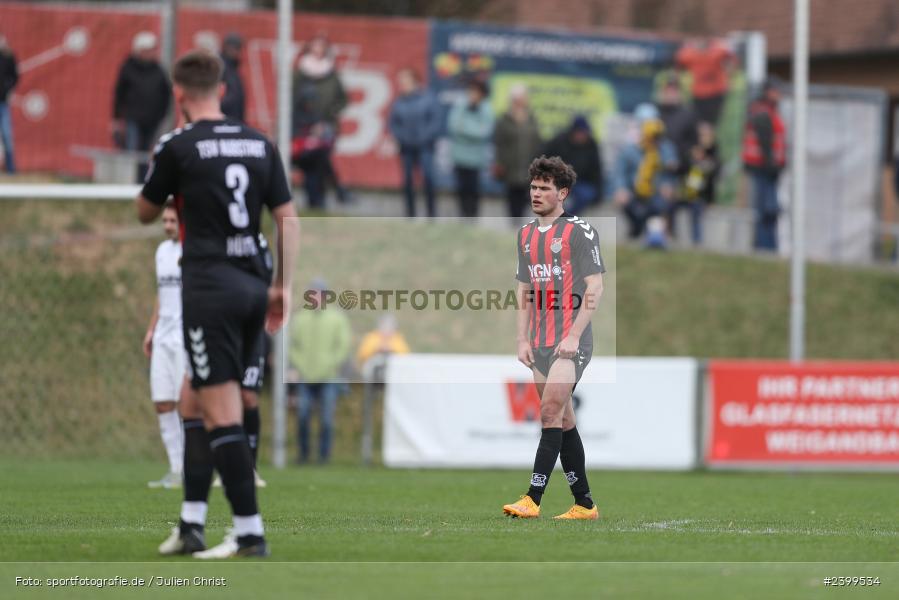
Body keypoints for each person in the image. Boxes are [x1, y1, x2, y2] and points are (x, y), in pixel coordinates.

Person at [136, 49, 298, 558]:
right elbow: (287, 220)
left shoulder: (177, 145)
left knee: (220, 408)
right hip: (254, 283)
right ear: (223, 90)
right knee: (192, 398)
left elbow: (145, 210)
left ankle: (249, 531)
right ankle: (191, 524)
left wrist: (162, 171)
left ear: (179, 95)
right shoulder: (259, 141)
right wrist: (281, 286)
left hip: (209, 288)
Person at [502, 155, 605, 520]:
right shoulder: (526, 235)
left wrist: (575, 335)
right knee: (563, 421)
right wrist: (521, 339)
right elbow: (523, 291)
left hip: (570, 342)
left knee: (548, 412)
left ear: (562, 193)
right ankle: (584, 504)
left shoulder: (580, 231)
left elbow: (596, 286)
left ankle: (532, 498)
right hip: (540, 342)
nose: (536, 193)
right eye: (533, 187)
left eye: (545, 188)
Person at [143, 202, 185, 489]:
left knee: (189, 405)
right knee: (162, 402)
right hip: (162, 338)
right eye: (165, 220)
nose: (167, 225)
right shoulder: (162, 252)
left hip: (185, 339)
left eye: (172, 220)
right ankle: (176, 468)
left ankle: (196, 468)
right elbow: (162, 292)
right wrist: (151, 328)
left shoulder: (193, 251)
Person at [288, 279, 352, 464]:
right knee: (303, 416)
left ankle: (324, 457)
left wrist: (330, 364)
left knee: (326, 419)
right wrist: (300, 366)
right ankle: (304, 454)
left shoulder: (337, 318)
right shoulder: (300, 318)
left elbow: (343, 346)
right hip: (304, 377)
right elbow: (293, 346)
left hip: (329, 377)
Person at [293, 36, 350, 205]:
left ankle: (321, 199)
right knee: (310, 162)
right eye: (315, 46)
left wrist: (330, 114)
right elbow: (292, 100)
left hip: (326, 126)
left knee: (322, 160)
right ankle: (334, 192)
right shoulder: (299, 74)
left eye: (321, 47)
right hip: (303, 127)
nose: (318, 50)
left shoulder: (332, 74)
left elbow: (343, 99)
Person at [113, 32, 171, 181]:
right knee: (132, 150)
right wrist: (117, 119)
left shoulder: (158, 70)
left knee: (146, 153)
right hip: (133, 119)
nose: (151, 53)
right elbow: (119, 94)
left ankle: (141, 182)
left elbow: (166, 94)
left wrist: (161, 116)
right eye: (148, 50)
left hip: (152, 120)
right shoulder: (128, 67)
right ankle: (127, 181)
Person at [613, 117, 677, 246]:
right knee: (628, 204)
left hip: (655, 192)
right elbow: (619, 172)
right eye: (653, 137)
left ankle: (653, 234)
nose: (656, 140)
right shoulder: (630, 151)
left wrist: (668, 184)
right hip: (634, 191)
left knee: (660, 205)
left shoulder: (666, 150)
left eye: (658, 137)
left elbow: (671, 174)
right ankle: (636, 230)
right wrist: (621, 189)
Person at [389, 68, 441, 218]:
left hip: (425, 147)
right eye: (400, 81)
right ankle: (410, 214)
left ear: (414, 81)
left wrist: (424, 138)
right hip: (406, 148)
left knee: (428, 179)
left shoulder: (428, 98)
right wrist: (402, 138)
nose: (401, 84)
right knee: (407, 181)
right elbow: (393, 124)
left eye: (405, 80)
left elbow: (435, 121)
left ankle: (431, 214)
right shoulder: (399, 101)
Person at [742, 80, 786, 251]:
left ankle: (769, 246)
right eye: (775, 91)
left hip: (767, 170)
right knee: (766, 210)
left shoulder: (768, 112)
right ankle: (764, 247)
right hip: (764, 170)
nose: (778, 95)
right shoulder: (763, 113)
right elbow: (765, 144)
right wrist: (771, 167)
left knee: (769, 211)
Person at [493, 84, 543, 220]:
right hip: (510, 166)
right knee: (513, 196)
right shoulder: (504, 119)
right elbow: (499, 143)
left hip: (528, 165)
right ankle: (514, 224)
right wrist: (499, 163)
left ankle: (520, 222)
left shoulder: (531, 118)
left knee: (528, 196)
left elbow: (537, 140)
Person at [447, 78, 493, 219]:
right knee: (461, 189)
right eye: (470, 91)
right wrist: (473, 130)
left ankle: (473, 216)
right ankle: (463, 216)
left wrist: (464, 129)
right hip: (460, 157)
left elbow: (484, 132)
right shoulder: (460, 105)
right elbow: (453, 126)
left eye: (475, 91)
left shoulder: (486, 109)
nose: (472, 94)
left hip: (476, 159)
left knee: (474, 190)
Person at [670, 122, 720, 245]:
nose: (704, 138)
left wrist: (710, 200)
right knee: (669, 207)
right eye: (702, 135)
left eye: (707, 135)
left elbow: (712, 182)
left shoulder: (714, 158)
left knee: (696, 212)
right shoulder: (689, 153)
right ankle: (671, 235)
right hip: (684, 193)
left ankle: (697, 242)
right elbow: (680, 170)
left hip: (699, 196)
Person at [542, 116, 603, 214]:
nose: (582, 136)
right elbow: (543, 158)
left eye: (584, 133)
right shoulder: (559, 141)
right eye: (579, 132)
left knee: (587, 194)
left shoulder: (591, 145)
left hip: (581, 182)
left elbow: (597, 169)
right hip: (558, 181)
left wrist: (599, 193)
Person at [675, 38, 734, 127]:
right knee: (698, 122)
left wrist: (728, 76)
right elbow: (679, 65)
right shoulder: (689, 53)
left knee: (712, 123)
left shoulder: (718, 50)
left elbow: (730, 60)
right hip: (698, 94)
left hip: (716, 93)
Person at [356, 314, 410, 382]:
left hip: (393, 368)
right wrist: (376, 349)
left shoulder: (398, 339)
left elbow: (405, 354)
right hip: (373, 368)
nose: (386, 329)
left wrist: (392, 349)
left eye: (390, 327)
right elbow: (362, 354)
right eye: (384, 326)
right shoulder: (371, 337)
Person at [0, 34, 19, 174]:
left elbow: (15, 76)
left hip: (3, 103)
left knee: (6, 134)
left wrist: (8, 88)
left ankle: (11, 168)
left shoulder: (8, 57)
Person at [220, 33, 246, 123]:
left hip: (234, 119)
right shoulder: (221, 66)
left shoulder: (232, 68)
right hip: (226, 119)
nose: (235, 52)